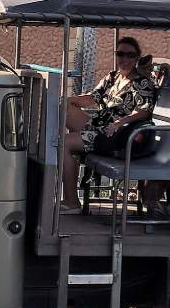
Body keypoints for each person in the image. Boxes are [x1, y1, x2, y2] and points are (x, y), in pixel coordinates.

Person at [59, 36, 157, 213]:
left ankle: (72, 201)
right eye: (120, 54)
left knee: (64, 143)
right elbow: (92, 97)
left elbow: (144, 111)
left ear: (136, 58)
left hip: (114, 135)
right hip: (98, 126)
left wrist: (120, 122)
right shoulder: (112, 77)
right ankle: (81, 145)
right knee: (63, 107)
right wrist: (68, 100)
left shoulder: (142, 83)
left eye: (130, 55)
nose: (124, 59)